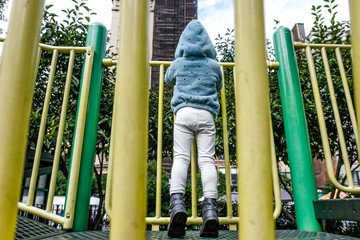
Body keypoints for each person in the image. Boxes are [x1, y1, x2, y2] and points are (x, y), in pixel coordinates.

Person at [164, 20, 223, 238]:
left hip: (184, 113)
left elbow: (168, 79)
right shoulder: (214, 65)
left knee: (181, 159)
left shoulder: (179, 62)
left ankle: (177, 204)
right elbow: (219, 85)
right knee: (206, 161)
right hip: (206, 115)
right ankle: (210, 210)